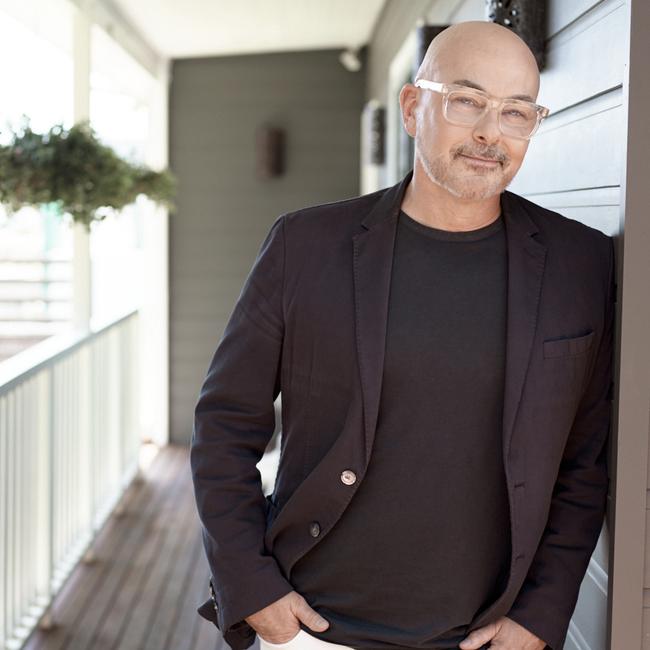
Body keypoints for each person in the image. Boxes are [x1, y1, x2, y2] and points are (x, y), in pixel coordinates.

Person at [190, 20, 615, 650]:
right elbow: (225, 424)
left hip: (483, 637)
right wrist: (251, 587)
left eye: (516, 112)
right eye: (467, 101)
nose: (488, 132)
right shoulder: (305, 247)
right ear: (415, 108)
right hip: (312, 627)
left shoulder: (580, 264)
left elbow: (585, 464)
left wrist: (540, 616)